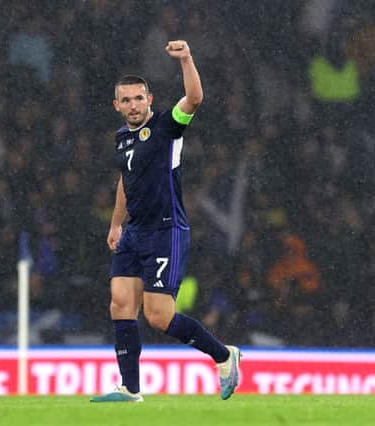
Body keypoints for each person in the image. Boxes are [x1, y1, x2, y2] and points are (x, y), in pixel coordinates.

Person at [90, 40, 240, 403]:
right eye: (125, 100)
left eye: (138, 98)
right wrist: (115, 224)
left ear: (149, 99)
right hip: (134, 231)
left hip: (165, 229)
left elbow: (195, 98)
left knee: (159, 316)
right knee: (120, 303)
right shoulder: (121, 139)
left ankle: (224, 357)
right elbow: (126, 182)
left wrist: (187, 58)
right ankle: (130, 388)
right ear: (117, 106)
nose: (133, 105)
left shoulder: (165, 127)